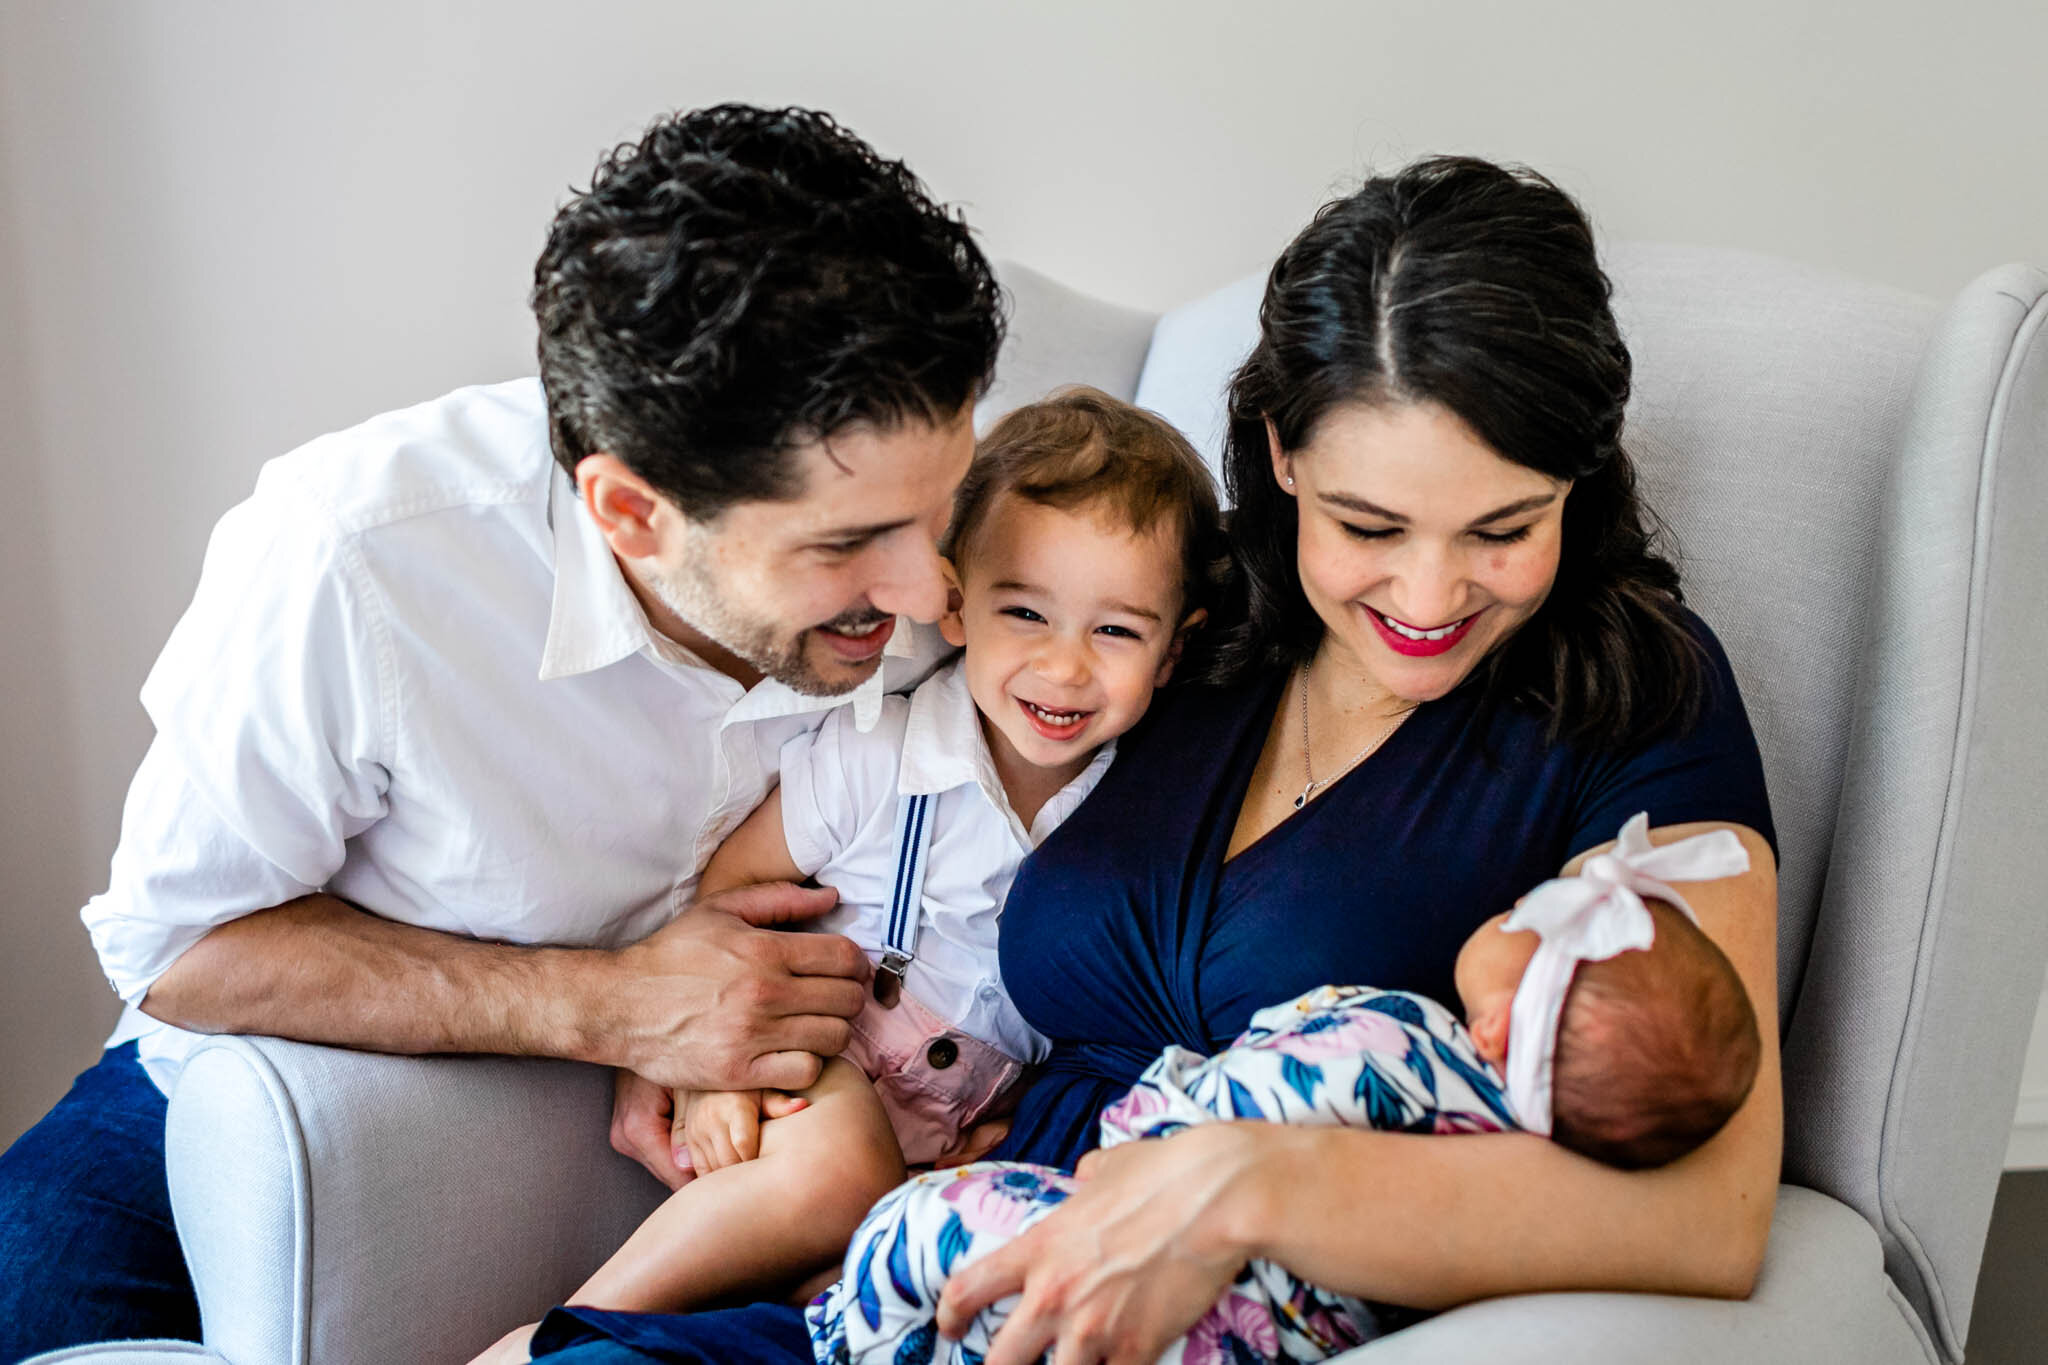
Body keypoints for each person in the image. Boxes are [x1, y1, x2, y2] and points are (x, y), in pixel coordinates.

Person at [522, 154, 1781, 1365]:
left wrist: (1250, 1182)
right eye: (1366, 524)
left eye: (1502, 529)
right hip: (929, 1269)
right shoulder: (1158, 625)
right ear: (1283, 456)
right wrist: (662, 1028)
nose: (1427, 592)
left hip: (1205, 1312)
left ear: (1578, 482)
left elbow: (1707, 1218)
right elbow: (868, 758)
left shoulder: (1637, 696)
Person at [0, 104, 1003, 1358]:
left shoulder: (967, 542)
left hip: (737, 1145)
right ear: (629, 513)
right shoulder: (357, 556)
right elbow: (179, 945)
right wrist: (613, 1008)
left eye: (941, 508)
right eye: (846, 549)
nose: (929, 595)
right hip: (221, 1096)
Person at [468, 389, 1223, 1364]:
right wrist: (699, 1060)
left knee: (864, 1290)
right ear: (953, 602)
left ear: (1174, 648)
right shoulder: (878, 754)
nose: (1063, 666)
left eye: (1115, 631)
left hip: (951, 1124)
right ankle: (558, 1334)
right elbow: (735, 883)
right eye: (1024, 612)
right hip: (821, 1047)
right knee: (833, 1178)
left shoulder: (1145, 809)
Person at [807, 813, 1764, 1364]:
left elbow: (1253, 1099)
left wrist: (1155, 1138)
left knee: (927, 1222)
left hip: (1127, 1246)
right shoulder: (1503, 1140)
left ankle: (845, 1320)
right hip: (1252, 1334)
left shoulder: (1398, 1045)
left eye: (1532, 912)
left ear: (1506, 1023)